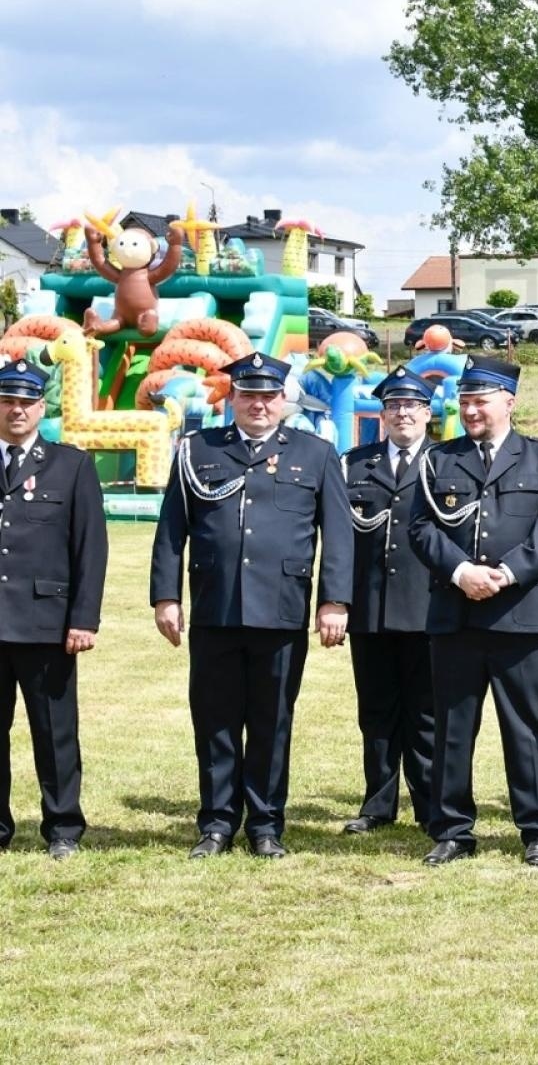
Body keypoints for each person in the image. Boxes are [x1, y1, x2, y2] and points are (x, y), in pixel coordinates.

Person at [150, 352, 353, 859]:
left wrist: (333, 601)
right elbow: (172, 528)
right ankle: (217, 823)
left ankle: (265, 824)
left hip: (281, 609)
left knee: (271, 719)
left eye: (268, 395)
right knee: (214, 719)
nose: (259, 404)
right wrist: (166, 596)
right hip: (216, 608)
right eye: (248, 395)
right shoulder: (198, 449)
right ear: (232, 399)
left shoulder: (316, 453)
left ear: (283, 400)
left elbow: (339, 535)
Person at [408, 355, 538, 867]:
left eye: (481, 400)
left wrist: (504, 573)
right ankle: (452, 828)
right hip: (455, 615)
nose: (472, 409)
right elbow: (421, 528)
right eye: (466, 400)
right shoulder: (439, 459)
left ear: (509, 402)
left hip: (520, 613)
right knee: (453, 728)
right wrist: (461, 573)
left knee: (527, 727)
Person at [0, 360, 106, 860]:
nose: (16, 410)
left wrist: (83, 619)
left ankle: (63, 827)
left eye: (25, 402)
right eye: (7, 401)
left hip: (46, 624)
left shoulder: (71, 465)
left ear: (41, 408)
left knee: (55, 732)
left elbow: (90, 548)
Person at [340, 366, 438, 836]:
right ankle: (378, 804)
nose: (403, 414)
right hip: (371, 608)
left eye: (412, 406)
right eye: (394, 406)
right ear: (382, 414)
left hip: (427, 607)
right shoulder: (354, 464)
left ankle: (429, 802)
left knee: (426, 712)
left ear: (428, 413)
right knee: (376, 712)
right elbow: (339, 542)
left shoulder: (445, 462)